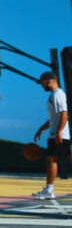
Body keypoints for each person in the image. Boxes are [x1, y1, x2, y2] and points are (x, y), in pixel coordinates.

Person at [33, 71, 69, 200]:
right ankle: (48, 190)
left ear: (49, 81)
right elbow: (53, 118)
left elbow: (64, 114)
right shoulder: (54, 95)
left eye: (41, 83)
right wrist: (40, 129)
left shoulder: (57, 94)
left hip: (58, 134)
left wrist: (59, 131)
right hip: (59, 132)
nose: (41, 86)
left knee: (51, 160)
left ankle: (49, 190)